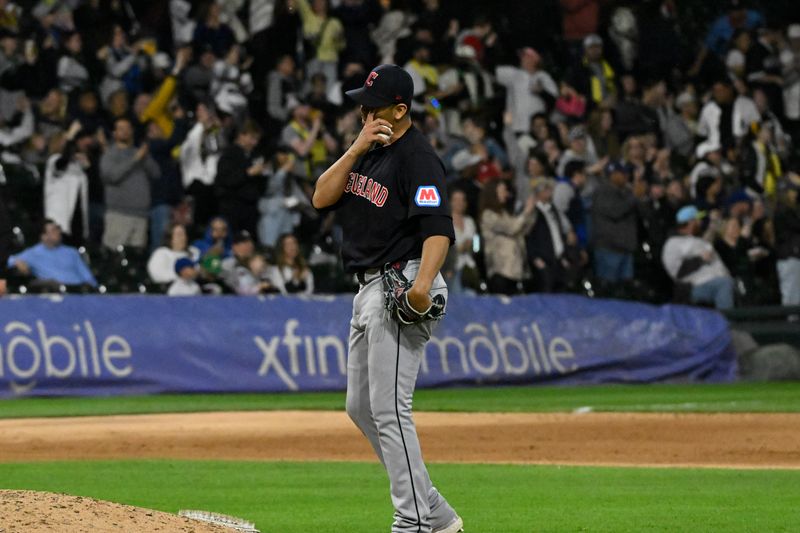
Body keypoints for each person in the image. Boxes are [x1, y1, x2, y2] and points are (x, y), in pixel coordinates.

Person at [311, 64, 463, 533]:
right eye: (362, 104)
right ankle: (433, 510)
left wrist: (421, 289)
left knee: (389, 408)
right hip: (368, 287)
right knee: (360, 406)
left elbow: (438, 229)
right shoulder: (369, 152)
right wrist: (355, 148)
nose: (363, 112)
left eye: (373, 106)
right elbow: (321, 197)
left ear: (400, 110)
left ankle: (413, 519)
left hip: (401, 282)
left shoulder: (417, 157)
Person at [100, 117, 160, 249]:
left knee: (136, 259)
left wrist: (144, 156)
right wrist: (135, 159)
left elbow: (156, 173)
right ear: (114, 133)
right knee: (115, 256)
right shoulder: (110, 154)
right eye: (121, 129)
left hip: (141, 215)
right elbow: (112, 176)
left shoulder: (139, 153)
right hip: (119, 215)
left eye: (128, 128)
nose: (125, 132)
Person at [662, 206, 735, 310]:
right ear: (691, 222)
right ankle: (727, 322)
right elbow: (677, 272)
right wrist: (700, 260)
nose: (700, 222)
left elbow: (709, 238)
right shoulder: (673, 243)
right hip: (695, 287)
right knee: (724, 284)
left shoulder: (695, 239)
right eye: (698, 220)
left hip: (717, 279)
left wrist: (714, 223)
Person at [480, 179, 537, 295]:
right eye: (503, 191)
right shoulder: (488, 215)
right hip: (500, 270)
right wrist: (526, 211)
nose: (506, 194)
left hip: (515, 270)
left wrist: (531, 213)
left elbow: (521, 229)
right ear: (493, 193)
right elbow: (512, 228)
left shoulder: (505, 214)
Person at [7, 219, 97, 289]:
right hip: (56, 291)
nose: (58, 232)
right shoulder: (34, 253)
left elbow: (87, 276)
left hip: (78, 291)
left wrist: (93, 287)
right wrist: (18, 263)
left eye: (58, 229)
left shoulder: (71, 252)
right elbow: (9, 260)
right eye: (53, 230)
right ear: (44, 236)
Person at [592, 161, 639, 284]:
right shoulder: (603, 190)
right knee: (608, 290)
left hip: (624, 248)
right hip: (609, 249)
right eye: (622, 173)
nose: (626, 176)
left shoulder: (625, 191)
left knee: (625, 292)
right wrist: (634, 197)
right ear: (613, 175)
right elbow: (615, 211)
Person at [215, 119, 265, 236]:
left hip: (250, 209)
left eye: (257, 139)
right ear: (241, 135)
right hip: (232, 209)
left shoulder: (254, 155)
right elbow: (225, 180)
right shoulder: (229, 154)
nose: (255, 143)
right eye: (252, 138)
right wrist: (248, 173)